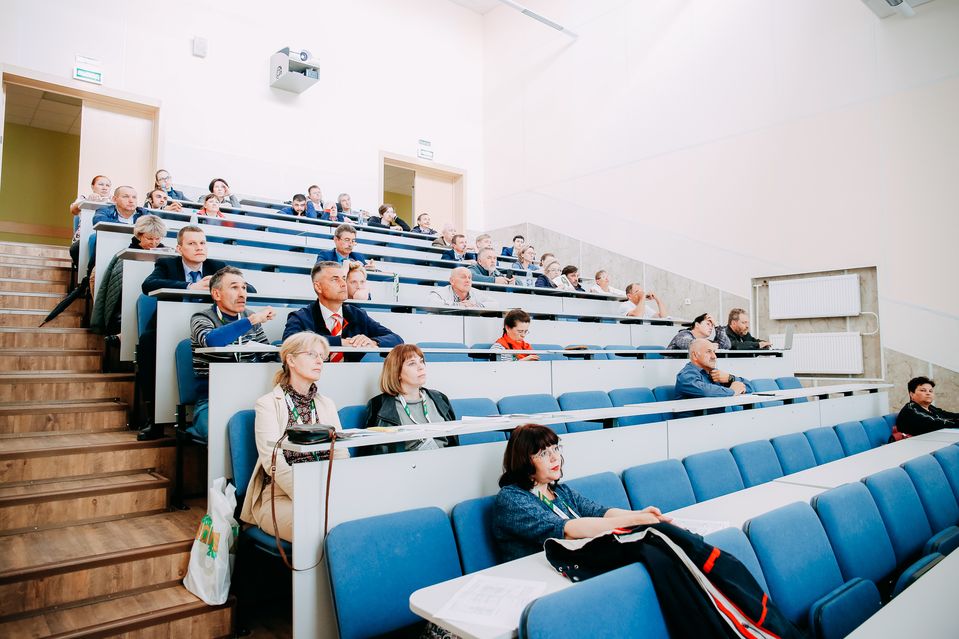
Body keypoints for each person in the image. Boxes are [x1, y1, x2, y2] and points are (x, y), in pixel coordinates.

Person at [492, 423, 670, 563]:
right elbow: (566, 530)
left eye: (555, 448)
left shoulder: (559, 491)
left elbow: (600, 512)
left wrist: (641, 514)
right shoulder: (512, 498)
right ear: (524, 461)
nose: (554, 458)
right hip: (540, 574)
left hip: (573, 561)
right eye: (543, 453)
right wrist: (635, 521)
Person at [239, 332, 347, 543]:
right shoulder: (267, 404)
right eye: (312, 354)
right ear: (291, 360)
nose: (319, 361)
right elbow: (273, 461)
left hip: (324, 487)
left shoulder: (327, 404)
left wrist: (337, 489)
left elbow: (340, 452)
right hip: (279, 495)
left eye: (322, 356)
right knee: (317, 524)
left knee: (355, 517)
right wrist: (310, 494)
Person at [189, 266, 276, 439]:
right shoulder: (201, 318)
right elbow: (211, 340)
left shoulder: (250, 317)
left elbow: (268, 356)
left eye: (244, 287)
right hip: (212, 398)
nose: (242, 293)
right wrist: (251, 321)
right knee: (221, 436)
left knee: (270, 431)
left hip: (250, 394)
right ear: (216, 294)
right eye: (234, 287)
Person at [282, 260, 403, 360]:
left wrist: (373, 342)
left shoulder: (357, 314)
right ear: (318, 286)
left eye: (344, 278)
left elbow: (397, 340)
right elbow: (289, 343)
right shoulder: (301, 317)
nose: (343, 284)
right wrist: (341, 342)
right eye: (335, 279)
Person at [364, 344, 456, 451]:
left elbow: (453, 442)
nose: (421, 367)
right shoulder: (378, 405)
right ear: (397, 372)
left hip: (445, 457)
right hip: (407, 461)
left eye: (421, 361)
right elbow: (373, 451)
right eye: (412, 363)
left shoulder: (440, 398)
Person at [91, 215, 171, 336]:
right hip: (123, 311)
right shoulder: (124, 256)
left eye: (158, 239)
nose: (154, 243)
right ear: (139, 235)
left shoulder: (168, 255)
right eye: (149, 238)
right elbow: (111, 291)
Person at [142, 225, 228, 294]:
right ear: (179, 249)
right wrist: (190, 286)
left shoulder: (218, 267)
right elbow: (148, 284)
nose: (199, 248)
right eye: (192, 243)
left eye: (202, 243)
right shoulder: (167, 264)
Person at [675, 339, 752, 400]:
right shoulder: (685, 376)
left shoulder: (715, 374)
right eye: (708, 352)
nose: (714, 356)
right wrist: (733, 391)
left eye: (714, 352)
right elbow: (705, 391)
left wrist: (730, 378)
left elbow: (749, 387)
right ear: (695, 355)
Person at [428, 266, 493, 308]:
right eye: (463, 277)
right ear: (452, 281)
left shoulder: (477, 293)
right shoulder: (439, 293)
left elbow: (494, 304)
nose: (467, 280)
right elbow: (431, 302)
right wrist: (458, 305)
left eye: (469, 278)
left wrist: (475, 305)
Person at [666, 312, 731, 351]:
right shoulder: (683, 334)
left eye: (712, 325)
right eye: (708, 324)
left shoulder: (704, 342)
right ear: (697, 325)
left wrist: (717, 326)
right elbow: (688, 344)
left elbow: (726, 345)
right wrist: (708, 346)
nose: (711, 328)